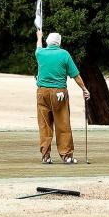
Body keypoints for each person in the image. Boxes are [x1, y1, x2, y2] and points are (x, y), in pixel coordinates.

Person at [35, 29, 90, 164]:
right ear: (59, 43)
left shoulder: (40, 53)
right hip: (59, 93)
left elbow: (38, 45)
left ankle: (46, 156)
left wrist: (39, 36)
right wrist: (84, 89)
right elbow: (75, 75)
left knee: (44, 125)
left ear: (48, 42)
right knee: (62, 123)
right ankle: (67, 156)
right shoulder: (64, 54)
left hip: (42, 92)